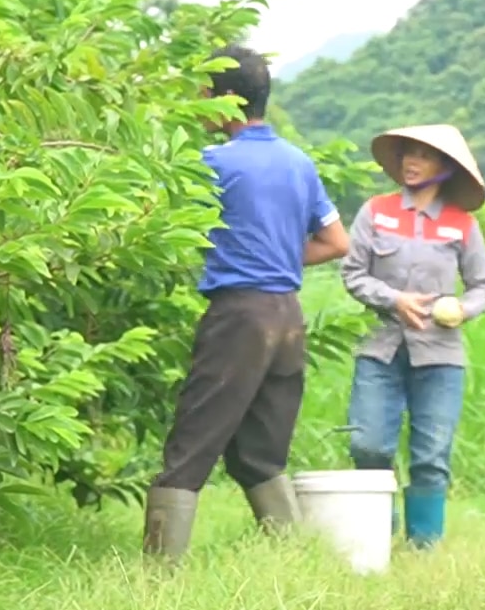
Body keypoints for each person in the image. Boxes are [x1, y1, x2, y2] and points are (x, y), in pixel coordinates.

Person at [143, 45, 350, 560]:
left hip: (238, 316)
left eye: (203, 93)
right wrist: (278, 258)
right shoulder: (298, 163)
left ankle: (156, 575)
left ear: (227, 101)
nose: (198, 102)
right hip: (286, 315)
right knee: (260, 453)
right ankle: (288, 559)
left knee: (190, 446)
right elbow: (335, 243)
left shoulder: (213, 162)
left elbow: (157, 223)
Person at [339, 124, 485, 549]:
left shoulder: (462, 225)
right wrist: (393, 299)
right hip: (379, 348)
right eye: (407, 154)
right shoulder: (376, 211)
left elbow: (484, 286)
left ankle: (424, 550)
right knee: (368, 444)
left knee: (432, 455)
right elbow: (352, 274)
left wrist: (464, 309)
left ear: (445, 168)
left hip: (441, 356)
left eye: (424, 156)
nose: (412, 162)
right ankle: (376, 538)